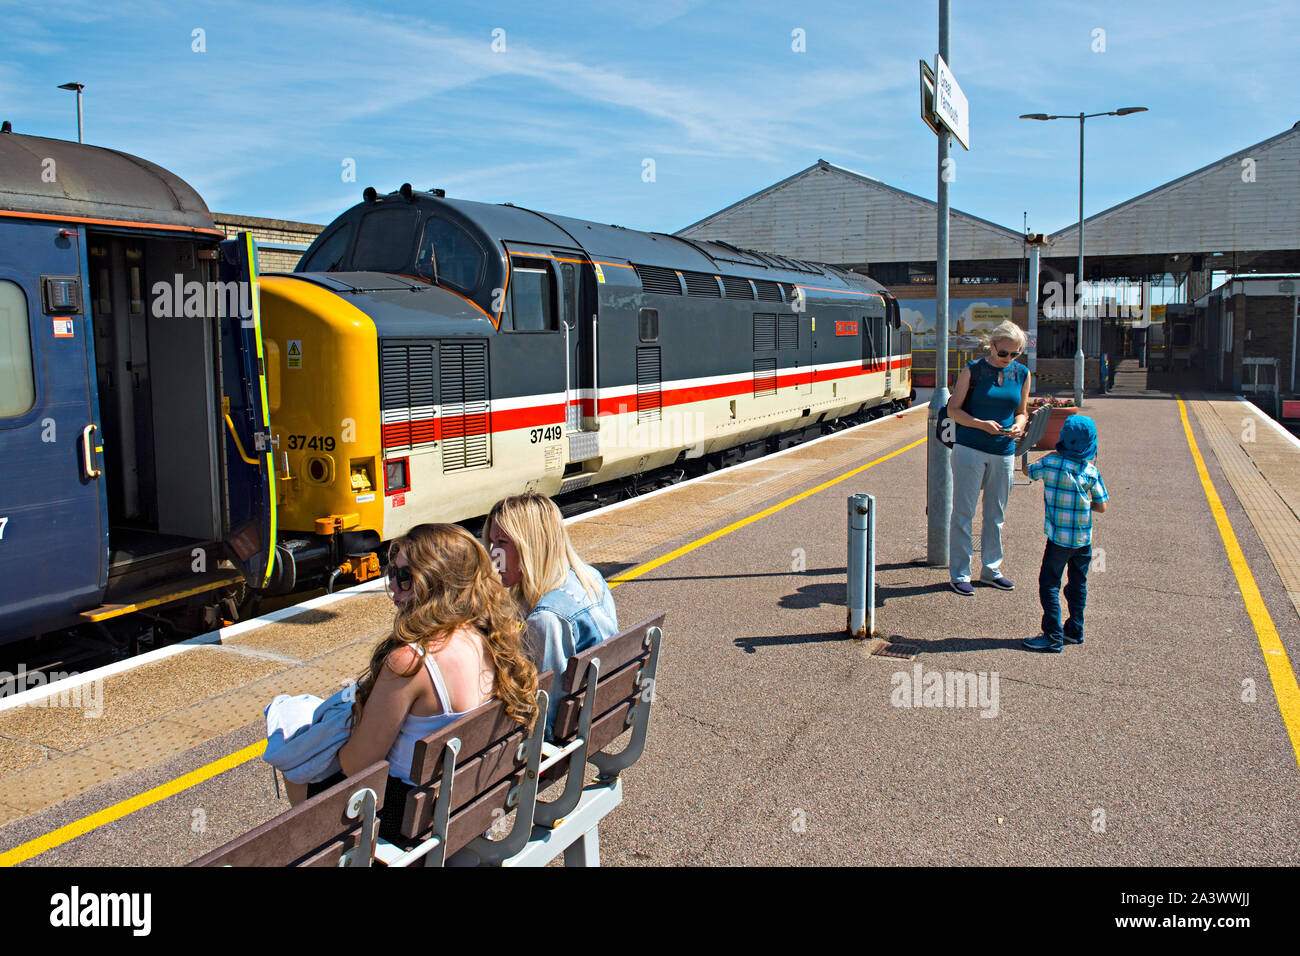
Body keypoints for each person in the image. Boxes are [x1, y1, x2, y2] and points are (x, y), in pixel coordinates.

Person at [299, 523, 539, 843]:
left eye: (404, 578)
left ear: (435, 583)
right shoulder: (489, 639)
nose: (394, 589)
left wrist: (319, 732)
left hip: (409, 822)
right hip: (463, 805)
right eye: (392, 575)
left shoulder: (410, 662)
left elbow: (357, 764)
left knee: (298, 771)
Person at [484, 493, 618, 735]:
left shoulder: (547, 618)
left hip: (558, 743)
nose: (494, 555)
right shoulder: (588, 576)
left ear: (533, 545)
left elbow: (545, 715)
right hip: (601, 715)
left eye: (502, 543)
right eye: (492, 543)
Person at [945, 320, 1031, 595]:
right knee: (963, 512)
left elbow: (1022, 410)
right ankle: (960, 573)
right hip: (970, 448)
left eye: (1014, 354)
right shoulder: (973, 371)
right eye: (1003, 353)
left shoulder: (1022, 373)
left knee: (996, 514)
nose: (1008, 359)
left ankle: (991, 570)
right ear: (991, 346)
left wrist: (1020, 424)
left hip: (1004, 451)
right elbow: (953, 411)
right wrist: (981, 424)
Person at [1020, 415, 1109, 652]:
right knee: (1077, 584)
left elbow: (1027, 470)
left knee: (1049, 583)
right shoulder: (1090, 471)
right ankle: (1074, 630)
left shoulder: (1051, 464)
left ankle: (1052, 635)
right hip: (1083, 541)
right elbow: (1102, 506)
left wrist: (1049, 454)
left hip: (1058, 540)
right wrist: (1084, 503)